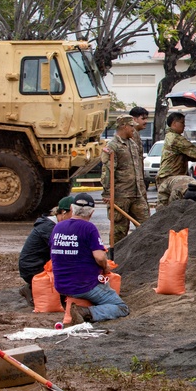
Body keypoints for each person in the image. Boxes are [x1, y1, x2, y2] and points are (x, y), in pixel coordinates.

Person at [50, 193, 128, 323]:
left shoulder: (58, 227)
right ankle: (86, 312)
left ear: (72, 208)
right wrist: (105, 267)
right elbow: (100, 257)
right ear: (91, 213)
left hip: (60, 284)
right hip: (84, 286)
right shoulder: (89, 228)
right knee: (121, 307)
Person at [101, 115, 150, 246]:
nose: (134, 129)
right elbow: (107, 171)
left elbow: (138, 169)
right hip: (120, 196)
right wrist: (107, 192)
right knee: (119, 231)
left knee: (147, 225)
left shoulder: (133, 144)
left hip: (137, 194)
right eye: (132, 126)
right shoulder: (113, 146)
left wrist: (142, 189)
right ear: (124, 126)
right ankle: (116, 258)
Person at [17, 196, 73, 305]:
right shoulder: (50, 228)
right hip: (32, 268)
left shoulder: (54, 225)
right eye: (73, 214)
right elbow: (64, 253)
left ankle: (34, 286)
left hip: (38, 264)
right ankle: (32, 288)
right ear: (63, 213)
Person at [156, 112, 196, 207]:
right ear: (174, 123)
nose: (184, 125)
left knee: (164, 210)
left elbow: (190, 156)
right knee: (173, 208)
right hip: (171, 178)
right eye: (182, 123)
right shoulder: (176, 139)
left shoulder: (170, 137)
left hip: (167, 178)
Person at [129, 105, 150, 185]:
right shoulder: (132, 134)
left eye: (146, 118)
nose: (146, 121)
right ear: (134, 119)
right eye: (143, 119)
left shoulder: (136, 133)